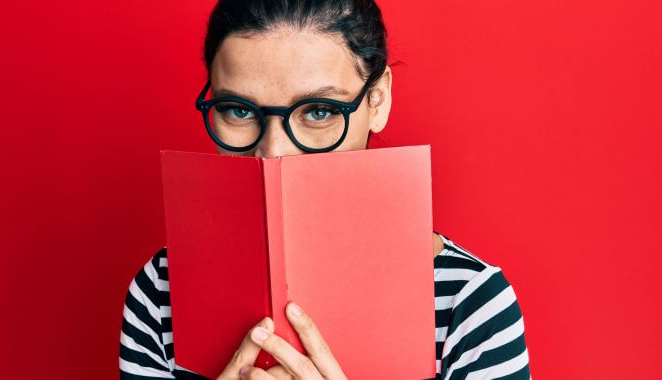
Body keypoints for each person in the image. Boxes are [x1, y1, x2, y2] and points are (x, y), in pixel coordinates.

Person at [119, 0, 530, 379]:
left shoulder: (471, 303)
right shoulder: (160, 292)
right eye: (239, 110)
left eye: (319, 111)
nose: (274, 151)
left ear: (378, 99)